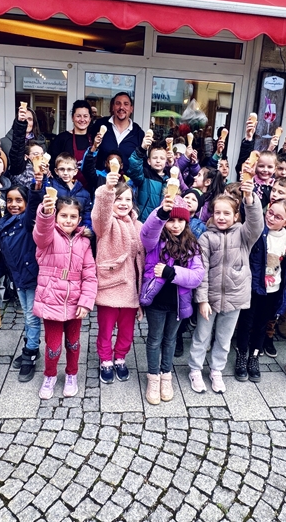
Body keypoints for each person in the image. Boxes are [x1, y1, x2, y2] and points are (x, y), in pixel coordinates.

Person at [190, 188, 263, 393]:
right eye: (217, 213)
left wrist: (249, 199)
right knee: (202, 336)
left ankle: (216, 370)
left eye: (227, 213)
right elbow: (201, 271)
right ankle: (195, 369)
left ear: (236, 215)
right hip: (210, 298)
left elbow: (256, 224)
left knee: (223, 338)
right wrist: (202, 300)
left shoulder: (243, 235)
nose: (221, 217)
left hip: (235, 296)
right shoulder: (205, 238)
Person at [140, 194, 204, 405]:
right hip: (156, 302)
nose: (175, 225)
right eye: (171, 220)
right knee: (155, 339)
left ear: (187, 221)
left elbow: (196, 276)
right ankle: (153, 377)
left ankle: (166, 375)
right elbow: (146, 232)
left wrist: (171, 272)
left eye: (180, 220)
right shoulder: (155, 241)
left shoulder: (192, 245)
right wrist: (161, 213)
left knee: (170, 340)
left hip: (178, 304)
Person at [33, 194, 97, 400]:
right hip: (51, 299)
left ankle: (72, 373)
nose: (68, 220)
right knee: (53, 346)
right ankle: (50, 375)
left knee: (73, 343)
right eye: (63, 215)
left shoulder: (84, 242)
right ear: (56, 216)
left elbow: (89, 274)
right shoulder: (48, 236)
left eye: (73, 216)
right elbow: (41, 231)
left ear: (79, 219)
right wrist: (46, 212)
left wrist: (86, 302)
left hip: (75, 302)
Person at [235, 198, 286, 381]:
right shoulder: (258, 232)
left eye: (278, 217)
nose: (271, 218)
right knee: (246, 322)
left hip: (273, 289)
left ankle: (254, 356)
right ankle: (241, 354)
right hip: (253, 287)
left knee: (262, 325)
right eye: (270, 212)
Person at [92, 173, 145, 384]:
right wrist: (107, 191)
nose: (123, 203)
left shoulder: (138, 225)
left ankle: (120, 357)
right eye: (119, 199)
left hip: (132, 288)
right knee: (106, 329)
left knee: (127, 331)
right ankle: (105, 359)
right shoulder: (106, 224)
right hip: (110, 285)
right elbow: (99, 216)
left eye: (128, 199)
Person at [0, 180, 44, 382]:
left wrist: (36, 188)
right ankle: (30, 344)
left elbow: (34, 209)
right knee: (27, 314)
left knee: (31, 316)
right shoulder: (3, 224)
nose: (13, 204)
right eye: (9, 200)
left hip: (32, 276)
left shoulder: (26, 222)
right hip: (18, 278)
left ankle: (30, 352)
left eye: (18, 200)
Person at [88, 92, 145, 171]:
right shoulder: (100, 125)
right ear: (113, 107)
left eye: (126, 104)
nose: (121, 107)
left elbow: (142, 162)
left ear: (131, 109)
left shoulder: (138, 133)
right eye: (118, 103)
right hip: (102, 180)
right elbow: (90, 151)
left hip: (128, 182)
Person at [48, 100, 92, 187]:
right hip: (64, 190)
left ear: (90, 119)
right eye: (78, 116)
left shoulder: (94, 139)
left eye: (85, 116)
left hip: (89, 189)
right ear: (72, 118)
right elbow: (52, 165)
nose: (82, 119)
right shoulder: (62, 138)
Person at [44, 154, 93, 229]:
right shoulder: (51, 185)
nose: (65, 173)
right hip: (55, 230)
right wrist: (43, 174)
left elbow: (87, 217)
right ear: (56, 171)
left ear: (75, 171)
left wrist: (86, 232)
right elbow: (40, 189)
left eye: (69, 169)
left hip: (76, 233)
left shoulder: (85, 193)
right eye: (62, 169)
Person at [128, 136, 169, 222]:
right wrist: (142, 149)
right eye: (154, 158)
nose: (158, 161)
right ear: (149, 161)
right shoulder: (144, 175)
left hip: (157, 223)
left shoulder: (168, 180)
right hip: (140, 220)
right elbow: (134, 167)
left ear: (166, 162)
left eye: (162, 158)